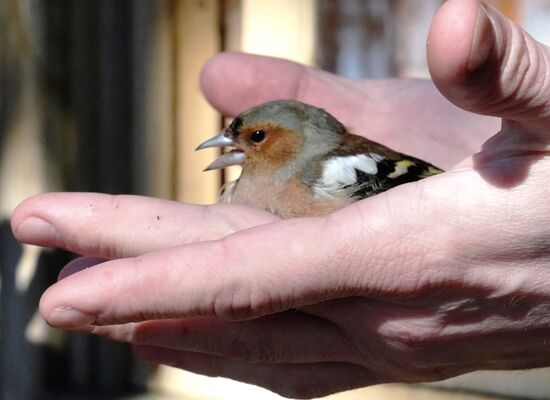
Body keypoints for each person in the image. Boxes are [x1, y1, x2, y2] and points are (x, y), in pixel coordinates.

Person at [11, 0, 550, 398]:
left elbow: (430, 184)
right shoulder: (260, 181)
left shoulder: (328, 172)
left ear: (286, 142)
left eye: (253, 137)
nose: (228, 145)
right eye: (233, 137)